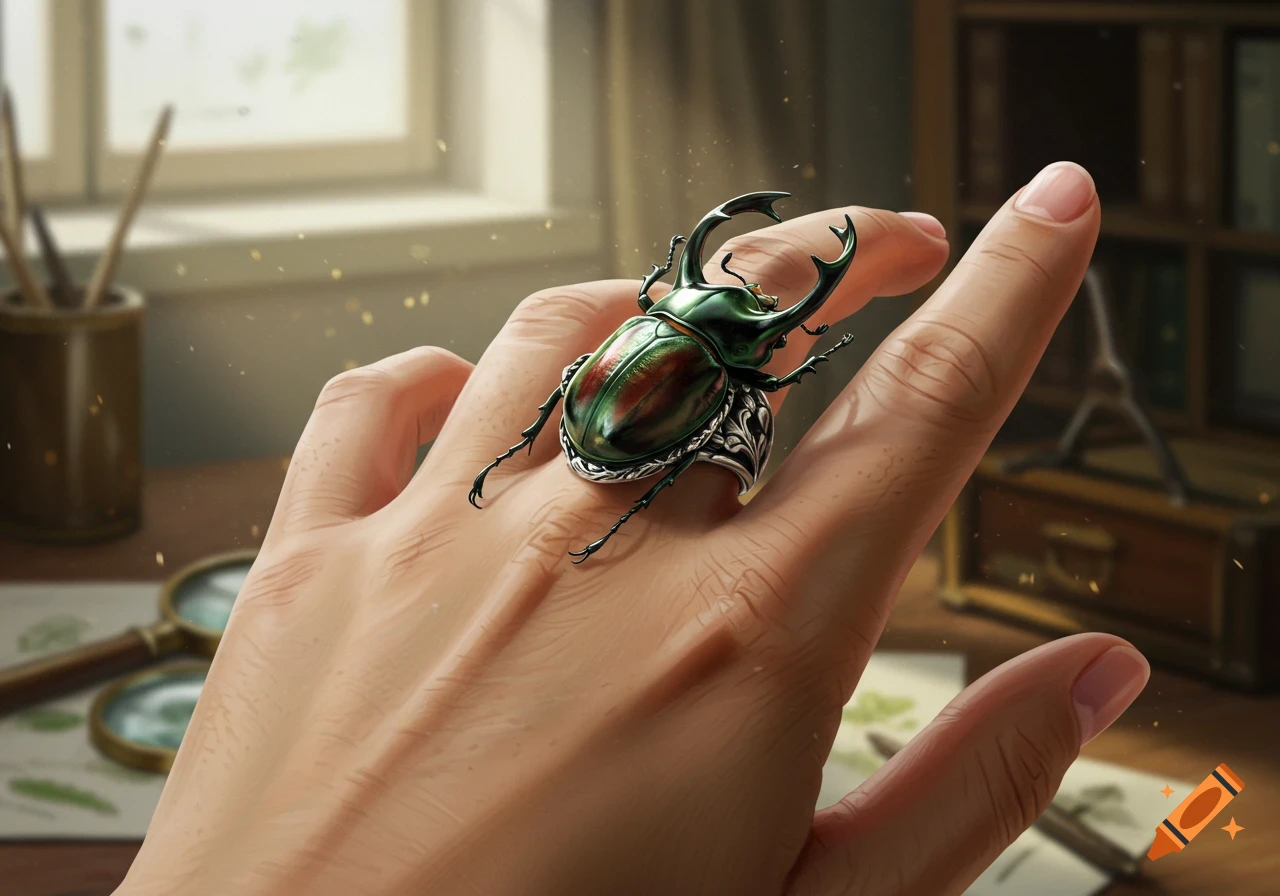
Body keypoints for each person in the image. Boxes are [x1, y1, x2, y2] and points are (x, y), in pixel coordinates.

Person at [114, 161, 1149, 896]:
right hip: (629, 407)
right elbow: (758, 371)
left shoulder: (691, 335)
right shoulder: (746, 359)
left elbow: (683, 375)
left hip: (621, 396)